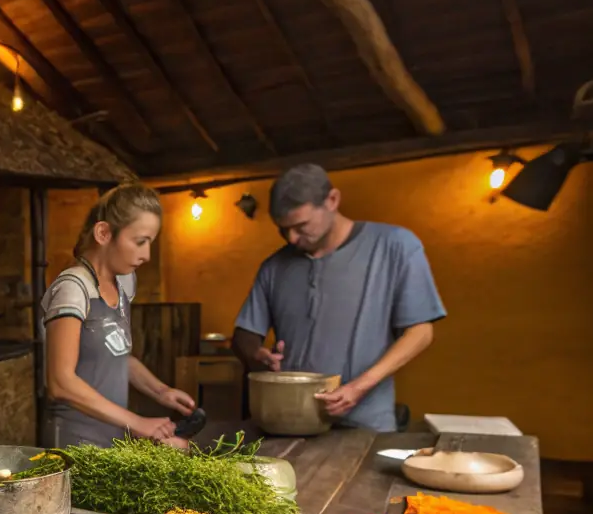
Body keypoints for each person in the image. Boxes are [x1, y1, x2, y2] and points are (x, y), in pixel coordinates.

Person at [231, 164, 446, 432]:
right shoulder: (274, 267)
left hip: (366, 426)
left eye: (301, 226)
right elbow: (244, 334)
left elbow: (420, 332)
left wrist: (358, 387)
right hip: (288, 425)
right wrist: (257, 354)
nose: (292, 238)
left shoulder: (396, 246)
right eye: (282, 229)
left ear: (332, 200)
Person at [41, 182, 196, 448]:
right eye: (139, 242)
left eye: (150, 243)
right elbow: (60, 382)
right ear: (103, 233)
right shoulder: (73, 289)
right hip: (74, 444)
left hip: (112, 441)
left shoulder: (122, 284)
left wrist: (161, 391)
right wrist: (137, 422)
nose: (146, 255)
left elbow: (117, 356)